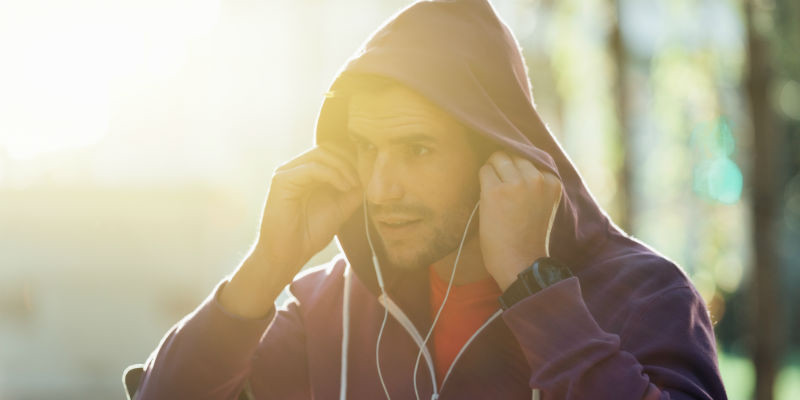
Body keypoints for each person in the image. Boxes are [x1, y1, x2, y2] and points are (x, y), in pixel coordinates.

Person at [131, 0, 727, 399]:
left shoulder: (646, 296)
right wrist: (265, 267)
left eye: (416, 150)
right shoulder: (331, 309)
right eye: (366, 149)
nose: (381, 188)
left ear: (496, 151)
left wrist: (534, 289)